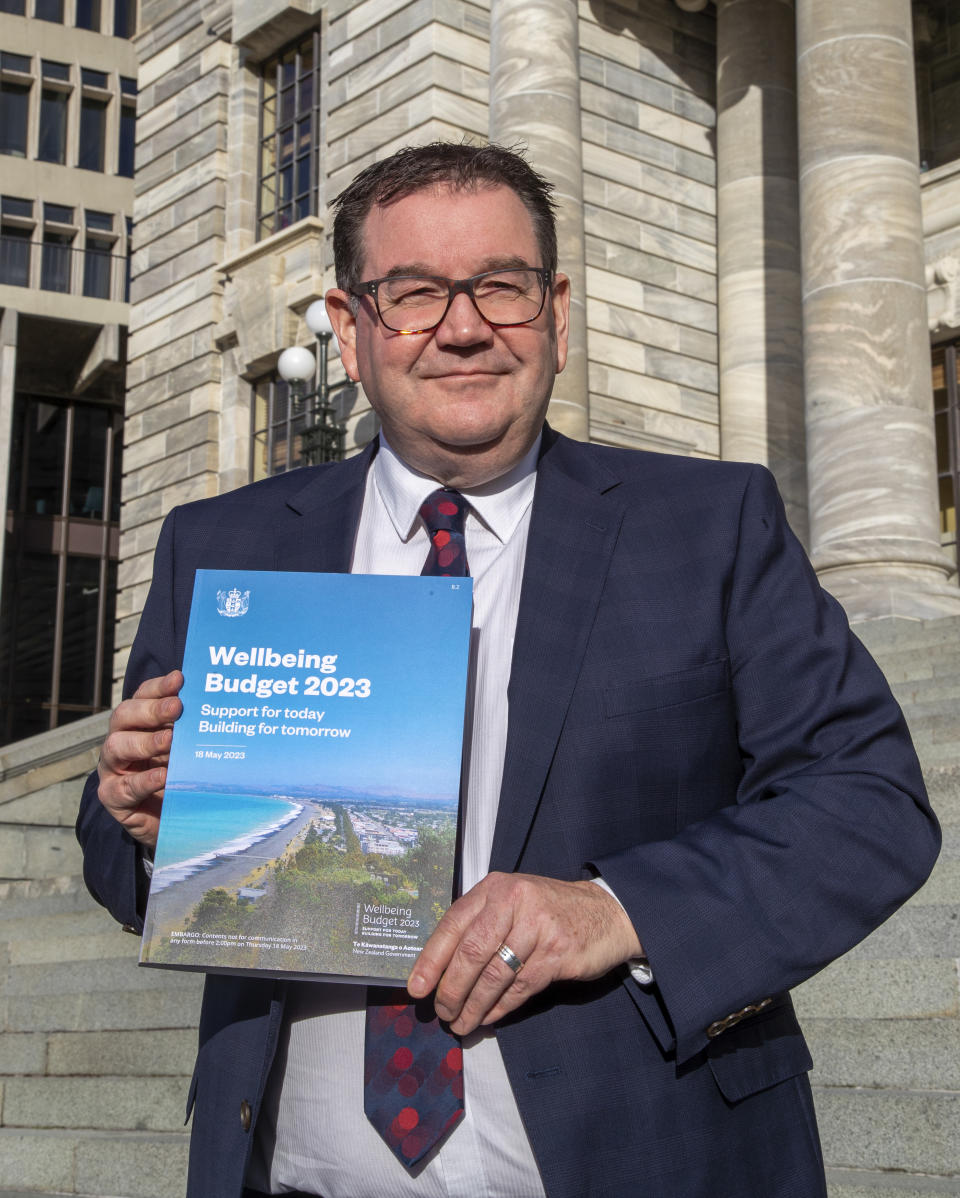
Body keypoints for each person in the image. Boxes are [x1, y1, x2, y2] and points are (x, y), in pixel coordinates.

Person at [77, 142, 939, 1198]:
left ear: (558, 313)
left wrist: (614, 911)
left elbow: (867, 802)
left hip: (644, 1159)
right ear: (350, 332)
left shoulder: (711, 527)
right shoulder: (223, 545)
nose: (466, 324)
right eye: (414, 294)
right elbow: (125, 858)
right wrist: (133, 815)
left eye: (503, 285)